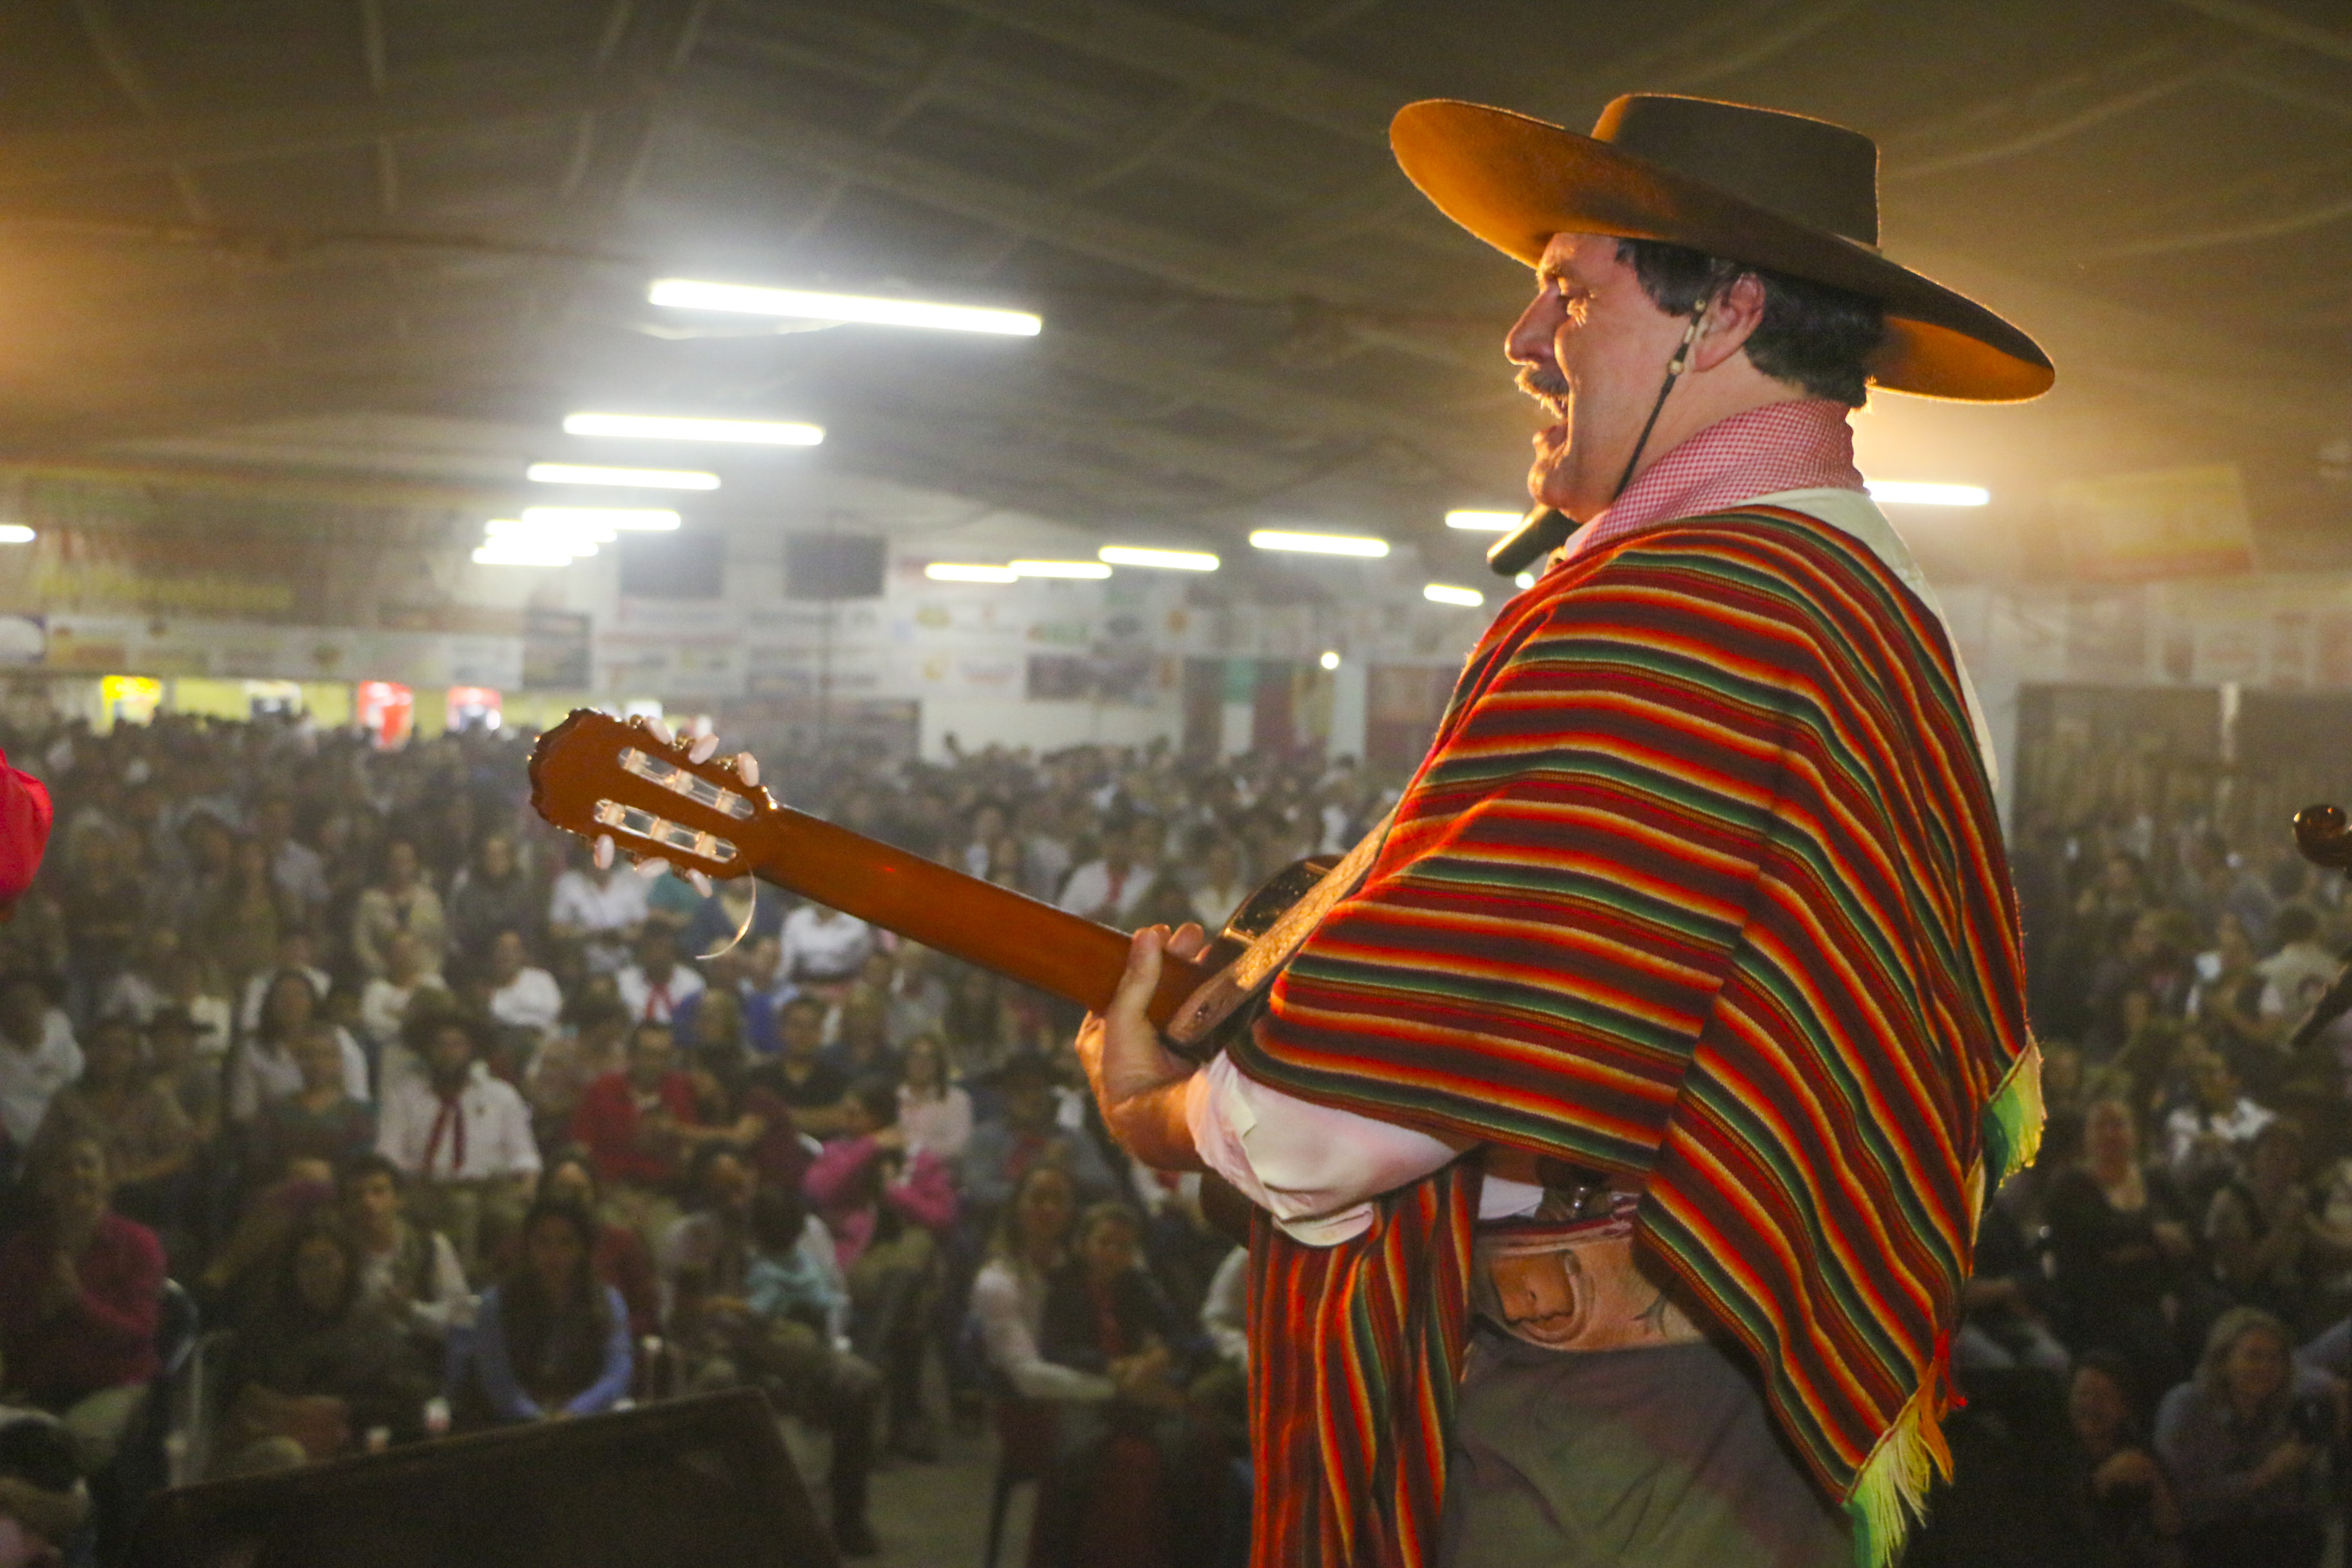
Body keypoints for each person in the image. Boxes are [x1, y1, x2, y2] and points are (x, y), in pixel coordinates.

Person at [1076, 93, 2047, 1568]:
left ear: (1715, 314)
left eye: (1568, 291)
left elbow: (1338, 1119)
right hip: (1718, 1407)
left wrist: (1157, 1108)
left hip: (1607, 1441)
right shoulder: (1852, 595)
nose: (1523, 343)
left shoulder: (1683, 609)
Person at [1031, 1201, 1217, 1568]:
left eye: (1124, 1247)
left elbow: (1185, 1335)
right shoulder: (1063, 1285)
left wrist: (1161, 1356)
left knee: (1189, 1444)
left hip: (1137, 1389)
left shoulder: (1135, 1284)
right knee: (1077, 1456)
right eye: (1106, 1243)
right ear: (1084, 1244)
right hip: (1084, 1388)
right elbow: (1056, 1347)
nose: (1114, 1254)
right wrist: (1111, 1366)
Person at [803, 1078, 957, 1460]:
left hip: (904, 1267)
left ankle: (865, 1388)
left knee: (917, 1248)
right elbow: (818, 1192)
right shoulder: (838, 1151)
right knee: (913, 1301)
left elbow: (943, 1217)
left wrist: (895, 1193)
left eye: (856, 1112)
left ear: (879, 1116)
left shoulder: (919, 1159)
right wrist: (869, 1147)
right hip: (858, 1265)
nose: (846, 1118)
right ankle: (904, 1419)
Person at [213, 1217, 432, 1474]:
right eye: (307, 1264)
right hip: (277, 1461)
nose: (318, 1273)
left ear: (347, 1264)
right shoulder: (265, 1332)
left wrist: (343, 1410)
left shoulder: (374, 1328)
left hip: (356, 1453)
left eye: (327, 1261)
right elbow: (235, 1405)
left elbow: (407, 1400)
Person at [0, 1136, 163, 1474]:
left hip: (113, 1382)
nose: (76, 1174)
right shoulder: (24, 1250)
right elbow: (10, 1330)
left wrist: (77, 1302)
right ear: (46, 1184)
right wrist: (42, 1312)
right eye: (63, 1167)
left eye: (87, 1164)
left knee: (66, 1447)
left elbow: (140, 1333)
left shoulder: (137, 1244)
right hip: (37, 1385)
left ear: (107, 1175)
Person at [2154, 1307, 2334, 1568]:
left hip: (2264, 1539)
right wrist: (2266, 1473)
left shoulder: (2278, 1410)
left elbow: (2287, 1506)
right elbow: (2186, 1504)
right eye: (2253, 1356)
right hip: (2200, 1542)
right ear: (2224, 1360)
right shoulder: (2187, 1405)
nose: (2265, 1367)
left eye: (2275, 1359)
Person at [374, 1013, 540, 1275]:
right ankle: (459, 1289)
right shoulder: (404, 1095)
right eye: (440, 1044)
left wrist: (527, 1186)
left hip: (490, 1187)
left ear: (472, 1049)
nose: (448, 1052)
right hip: (425, 1187)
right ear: (427, 1049)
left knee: (514, 1219)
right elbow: (388, 1155)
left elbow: (523, 1154)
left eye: (457, 1044)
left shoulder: (501, 1095)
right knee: (462, 1207)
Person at [464, 1198, 632, 1426]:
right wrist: (537, 1419)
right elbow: (497, 1381)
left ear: (583, 1248)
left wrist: (575, 1412)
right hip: (513, 1427)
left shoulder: (607, 1302)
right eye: (543, 1242)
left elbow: (617, 1372)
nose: (554, 1254)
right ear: (528, 1246)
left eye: (566, 1243)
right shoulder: (495, 1304)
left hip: (585, 1423)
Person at [569, 1022, 700, 1245]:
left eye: (663, 1056)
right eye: (648, 1054)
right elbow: (581, 1151)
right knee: (616, 1238)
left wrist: (675, 1149)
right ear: (631, 1054)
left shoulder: (679, 1091)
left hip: (660, 1196)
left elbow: (689, 1153)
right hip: (608, 1194)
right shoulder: (601, 1089)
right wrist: (614, 1197)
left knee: (673, 1244)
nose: (655, 1063)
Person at [2053, 1351, 2182, 1568]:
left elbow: (2172, 1528)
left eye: (2103, 1397)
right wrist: (2100, 1482)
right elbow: (2056, 1529)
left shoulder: (2135, 1448)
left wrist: (2155, 1481)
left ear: (2123, 1408)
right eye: (2083, 1393)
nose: (2091, 1405)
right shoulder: (2052, 1450)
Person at [338, 1153, 471, 1352]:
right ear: (345, 1207)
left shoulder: (431, 1246)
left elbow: (463, 1321)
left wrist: (411, 1312)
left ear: (399, 1199)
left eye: (379, 1191)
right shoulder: (338, 1252)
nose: (368, 1202)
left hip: (423, 1361)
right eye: (357, 1195)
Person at [225, 969, 366, 1124]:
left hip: (338, 1128)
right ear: (269, 1003)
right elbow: (243, 1112)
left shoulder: (339, 1038)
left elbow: (358, 1098)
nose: (291, 1002)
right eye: (282, 996)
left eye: (300, 995)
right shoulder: (253, 1048)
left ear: (313, 1001)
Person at [0, 975, 78, 1163]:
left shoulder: (63, 1043)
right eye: (12, 1004)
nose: (22, 1011)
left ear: (44, 1006)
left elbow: (77, 1097)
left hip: (59, 1148)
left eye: (28, 1001)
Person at [351, 838, 448, 980]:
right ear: (387, 864)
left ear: (415, 863)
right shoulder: (369, 901)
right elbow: (362, 945)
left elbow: (440, 944)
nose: (401, 866)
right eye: (396, 860)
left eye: (407, 860)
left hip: (425, 976)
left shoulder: (431, 901)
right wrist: (385, 972)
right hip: (381, 978)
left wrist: (425, 974)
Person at [548, 843, 649, 975]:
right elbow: (555, 930)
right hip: (582, 965)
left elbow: (643, 929)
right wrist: (588, 934)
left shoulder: (628, 883)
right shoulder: (569, 884)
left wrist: (619, 936)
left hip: (625, 963)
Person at [898, 1034, 972, 1163]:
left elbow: (958, 1147)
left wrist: (910, 1146)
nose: (921, 1064)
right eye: (915, 1057)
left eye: (929, 1058)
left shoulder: (957, 1099)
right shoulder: (892, 1097)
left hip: (940, 1173)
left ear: (939, 1064)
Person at [776, 901, 873, 998]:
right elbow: (787, 961)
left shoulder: (856, 922)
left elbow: (864, 958)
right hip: (804, 987)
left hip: (846, 987)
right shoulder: (796, 920)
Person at [615, 925, 705, 1026]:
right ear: (641, 953)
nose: (657, 955)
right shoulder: (623, 981)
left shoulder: (692, 983)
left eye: (663, 949)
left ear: (674, 953)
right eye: (651, 949)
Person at [484, 929, 563, 1042]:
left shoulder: (542, 978)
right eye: (502, 949)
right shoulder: (485, 987)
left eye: (513, 950)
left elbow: (555, 1010)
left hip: (548, 1038)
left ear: (522, 953)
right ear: (493, 953)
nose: (507, 955)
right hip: (507, 1043)